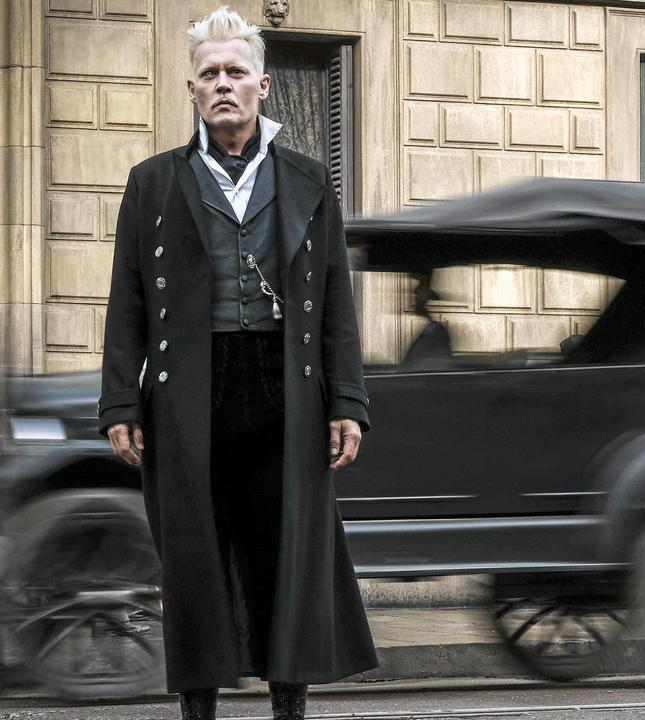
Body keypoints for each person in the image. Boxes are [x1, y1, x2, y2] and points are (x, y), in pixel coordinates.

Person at [97, 7, 376, 718]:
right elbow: (126, 300)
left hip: (286, 389)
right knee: (194, 563)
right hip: (190, 391)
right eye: (210, 74)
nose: (224, 83)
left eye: (236, 72)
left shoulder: (310, 180)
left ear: (264, 85)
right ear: (191, 89)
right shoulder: (151, 182)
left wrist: (348, 401)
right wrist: (120, 406)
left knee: (284, 553)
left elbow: (337, 300)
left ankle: (290, 707)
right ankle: (199, 712)